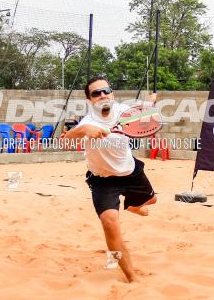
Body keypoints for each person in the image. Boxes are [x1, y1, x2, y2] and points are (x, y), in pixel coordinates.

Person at [61, 75, 158, 283]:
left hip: (130, 172)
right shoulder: (88, 121)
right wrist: (83, 130)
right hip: (103, 180)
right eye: (96, 93)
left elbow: (144, 111)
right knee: (109, 222)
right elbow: (66, 138)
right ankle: (131, 276)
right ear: (90, 100)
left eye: (106, 91)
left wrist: (150, 101)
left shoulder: (123, 111)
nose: (103, 95)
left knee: (152, 200)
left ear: (112, 94)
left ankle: (132, 205)